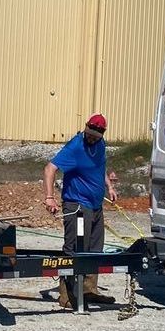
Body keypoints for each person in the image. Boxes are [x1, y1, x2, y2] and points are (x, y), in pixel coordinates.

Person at [43, 114, 118, 309]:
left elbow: (99, 167)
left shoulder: (100, 146)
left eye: (95, 136)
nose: (91, 138)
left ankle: (88, 290)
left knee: (95, 249)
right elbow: (50, 169)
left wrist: (109, 187)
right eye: (89, 134)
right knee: (75, 249)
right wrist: (49, 197)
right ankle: (67, 295)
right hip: (77, 205)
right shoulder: (75, 146)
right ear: (85, 129)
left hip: (95, 205)